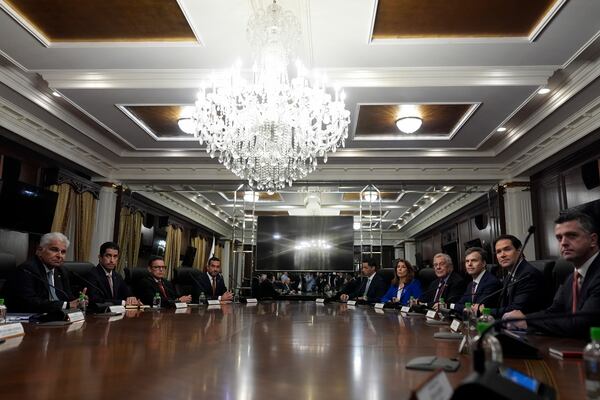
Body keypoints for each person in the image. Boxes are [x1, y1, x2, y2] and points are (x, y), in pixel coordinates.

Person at [504, 211, 600, 338]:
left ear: (593, 240)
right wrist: (523, 318)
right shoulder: (571, 277)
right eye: (559, 238)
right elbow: (553, 312)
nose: (563, 243)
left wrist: (527, 321)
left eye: (572, 235)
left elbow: (582, 324)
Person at [8, 232, 81, 313]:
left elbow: (68, 297)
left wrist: (78, 301)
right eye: (54, 250)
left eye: (63, 252)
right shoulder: (27, 270)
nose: (59, 255)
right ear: (39, 250)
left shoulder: (61, 271)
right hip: (31, 319)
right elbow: (29, 302)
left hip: (57, 316)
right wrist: (65, 305)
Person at [475, 234, 544, 317]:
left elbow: (515, 310)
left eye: (507, 249)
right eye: (498, 252)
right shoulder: (509, 276)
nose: (502, 255)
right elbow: (503, 305)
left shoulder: (528, 275)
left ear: (519, 250)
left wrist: (485, 310)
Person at [86, 242, 141, 308]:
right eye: (108, 256)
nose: (112, 260)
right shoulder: (92, 274)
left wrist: (132, 298)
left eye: (115, 256)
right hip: (97, 315)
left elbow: (127, 293)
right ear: (100, 257)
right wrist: (122, 302)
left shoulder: (117, 276)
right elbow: (95, 300)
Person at [450, 247, 500, 313]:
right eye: (467, 261)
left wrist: (452, 306)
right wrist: (454, 306)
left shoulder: (491, 282)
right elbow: (460, 304)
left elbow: (478, 309)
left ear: (484, 263)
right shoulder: (471, 284)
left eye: (474, 260)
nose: (469, 264)